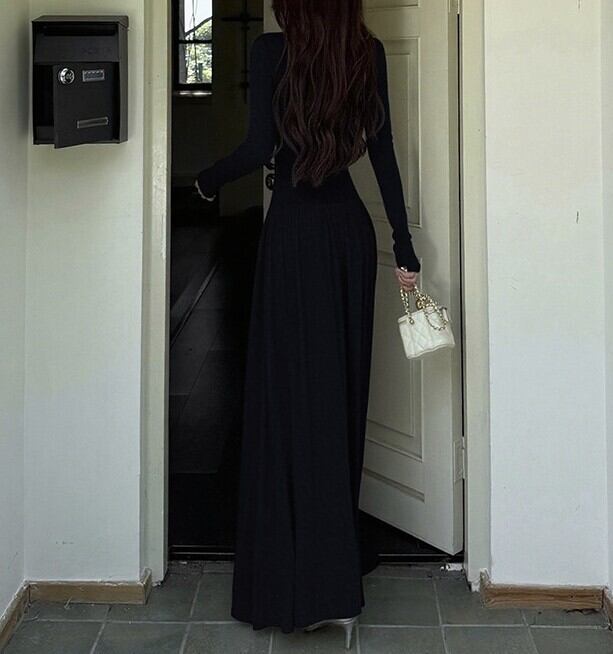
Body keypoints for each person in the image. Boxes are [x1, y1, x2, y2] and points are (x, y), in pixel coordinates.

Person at [194, 0, 420, 647]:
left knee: (287, 399)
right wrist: (404, 247)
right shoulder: (366, 52)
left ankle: (293, 573)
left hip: (293, 239)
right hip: (348, 237)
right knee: (338, 398)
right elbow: (382, 154)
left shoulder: (271, 52)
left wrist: (207, 180)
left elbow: (256, 149)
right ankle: (334, 574)